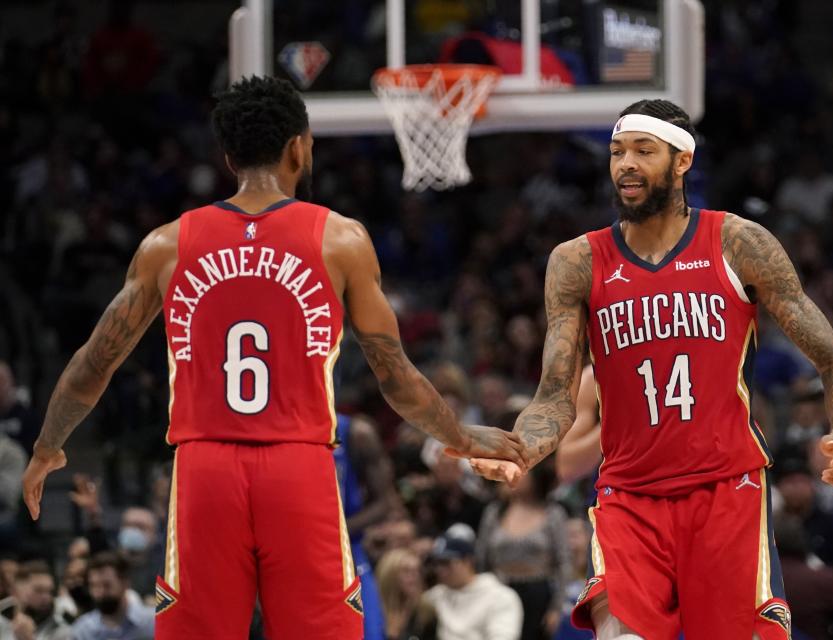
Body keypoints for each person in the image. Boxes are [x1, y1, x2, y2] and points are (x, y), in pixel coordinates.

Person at [21, 75, 526, 640]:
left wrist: (46, 448)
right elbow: (395, 375)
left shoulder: (166, 244)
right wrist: (457, 435)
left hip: (204, 469)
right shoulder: (341, 240)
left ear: (228, 155)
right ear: (298, 146)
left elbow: (95, 363)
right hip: (299, 466)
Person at [466, 99, 833, 640]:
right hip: (629, 497)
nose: (625, 163)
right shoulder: (577, 262)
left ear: (681, 162)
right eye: (616, 152)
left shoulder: (737, 242)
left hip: (727, 489)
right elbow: (556, 397)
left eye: (642, 151)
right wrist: (521, 450)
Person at [476, 458, 571, 640]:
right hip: (499, 589)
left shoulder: (553, 513)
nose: (511, 476)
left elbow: (564, 564)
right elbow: (482, 560)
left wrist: (557, 608)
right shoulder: (494, 512)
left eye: (520, 471)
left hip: (538, 595)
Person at [334, 413, 394, 640]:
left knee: (369, 633)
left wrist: (335, 531)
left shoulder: (356, 434)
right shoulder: (285, 429)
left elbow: (385, 503)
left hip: (349, 552)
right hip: (299, 553)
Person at [424, 524, 523, 640]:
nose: (440, 570)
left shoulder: (501, 596)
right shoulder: (434, 596)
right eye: (437, 564)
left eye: (446, 563)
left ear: (468, 561)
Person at [71, 552, 153, 640]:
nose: (100, 592)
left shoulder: (150, 623)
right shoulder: (83, 630)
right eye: (94, 586)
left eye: (107, 585)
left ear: (125, 584)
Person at [375, 548, 437, 640]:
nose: (415, 577)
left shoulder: (426, 614)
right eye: (406, 571)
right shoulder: (371, 612)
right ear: (389, 576)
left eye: (417, 571)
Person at [8, 561, 72, 640]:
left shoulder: (61, 628)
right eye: (39, 590)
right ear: (16, 592)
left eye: (50, 591)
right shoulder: (2, 624)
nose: (46, 597)